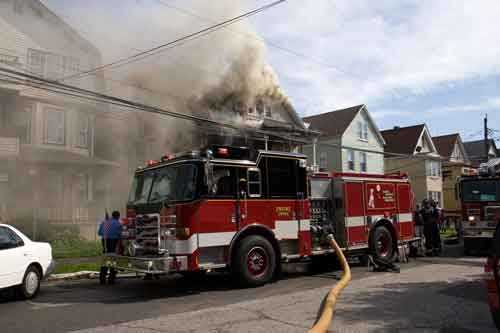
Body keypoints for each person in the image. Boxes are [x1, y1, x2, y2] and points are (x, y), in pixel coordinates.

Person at [98, 211, 122, 284]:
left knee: (105, 259)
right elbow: (120, 235)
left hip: (105, 242)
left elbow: (99, 233)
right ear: (118, 216)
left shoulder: (104, 222)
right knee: (113, 260)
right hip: (113, 242)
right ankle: (111, 279)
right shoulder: (118, 224)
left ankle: (102, 278)